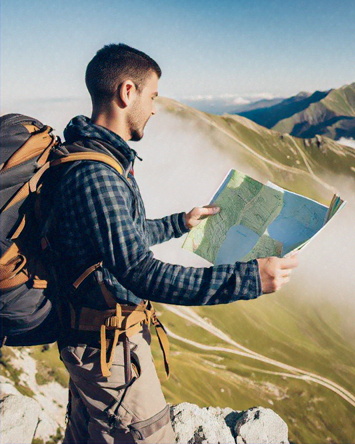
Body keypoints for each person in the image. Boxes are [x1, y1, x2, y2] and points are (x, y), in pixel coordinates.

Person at [45, 43, 299, 444]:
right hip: (109, 355)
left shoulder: (94, 158)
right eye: (153, 96)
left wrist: (179, 223)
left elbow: (118, 240)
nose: (155, 109)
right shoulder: (98, 174)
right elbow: (140, 273)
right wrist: (248, 279)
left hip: (97, 343)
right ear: (127, 92)